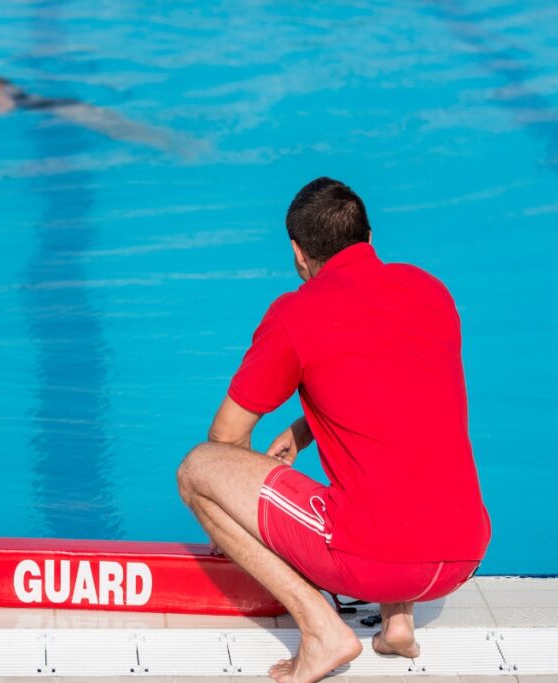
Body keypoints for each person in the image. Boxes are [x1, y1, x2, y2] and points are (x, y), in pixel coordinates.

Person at [177, 178, 491, 683]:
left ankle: (321, 629)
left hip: (375, 560)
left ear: (298, 254)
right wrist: (306, 430)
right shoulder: (430, 290)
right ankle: (398, 625)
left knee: (197, 470)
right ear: (369, 236)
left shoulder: (297, 313)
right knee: (401, 462)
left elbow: (225, 436)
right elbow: (401, 400)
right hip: (465, 551)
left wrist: (240, 507)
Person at [0, 40, 180, 151]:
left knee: (127, 132)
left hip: (64, 110)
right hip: (55, 109)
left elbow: (6, 104)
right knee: (128, 132)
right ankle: (180, 145)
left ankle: (184, 147)